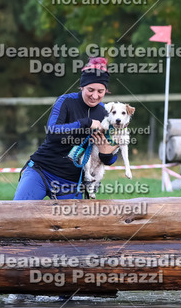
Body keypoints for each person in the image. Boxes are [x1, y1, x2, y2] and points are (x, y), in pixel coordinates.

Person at [13, 57, 119, 200]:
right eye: (90, 90)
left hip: (71, 182)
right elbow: (53, 132)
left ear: (106, 90)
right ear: (82, 86)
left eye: (100, 91)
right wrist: (86, 123)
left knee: (73, 216)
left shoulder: (105, 113)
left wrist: (106, 154)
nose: (95, 96)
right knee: (19, 210)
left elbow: (111, 158)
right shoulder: (66, 101)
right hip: (42, 170)